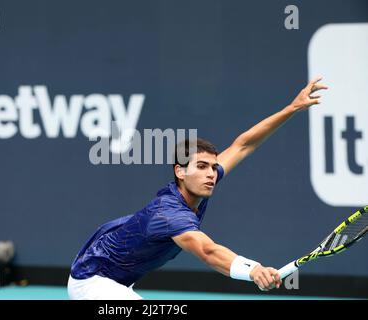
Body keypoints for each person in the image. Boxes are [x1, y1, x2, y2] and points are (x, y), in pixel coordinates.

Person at [68, 78, 328, 300]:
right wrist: (253, 270)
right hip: (93, 280)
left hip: (119, 276)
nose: (211, 173)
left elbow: (243, 145)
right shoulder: (170, 214)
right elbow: (207, 250)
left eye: (213, 167)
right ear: (179, 171)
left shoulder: (200, 183)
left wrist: (292, 108)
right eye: (202, 166)